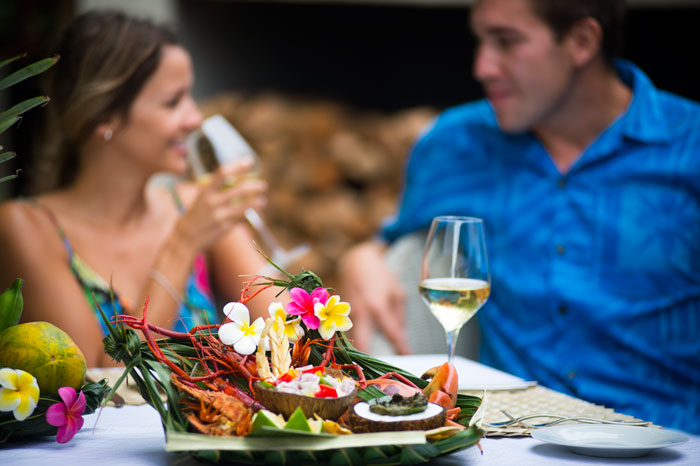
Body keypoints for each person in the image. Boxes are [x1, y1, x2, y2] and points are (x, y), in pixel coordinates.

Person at [339, 0, 700, 434]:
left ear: (582, 41)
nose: (482, 67)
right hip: (511, 436)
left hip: (667, 440)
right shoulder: (456, 144)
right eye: (480, 41)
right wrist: (361, 256)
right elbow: (400, 236)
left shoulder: (689, 146)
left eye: (507, 42)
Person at [0, 11, 272, 367]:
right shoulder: (27, 227)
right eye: (173, 102)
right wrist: (183, 244)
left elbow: (285, 328)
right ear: (104, 116)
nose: (195, 119)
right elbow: (99, 380)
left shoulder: (194, 205)